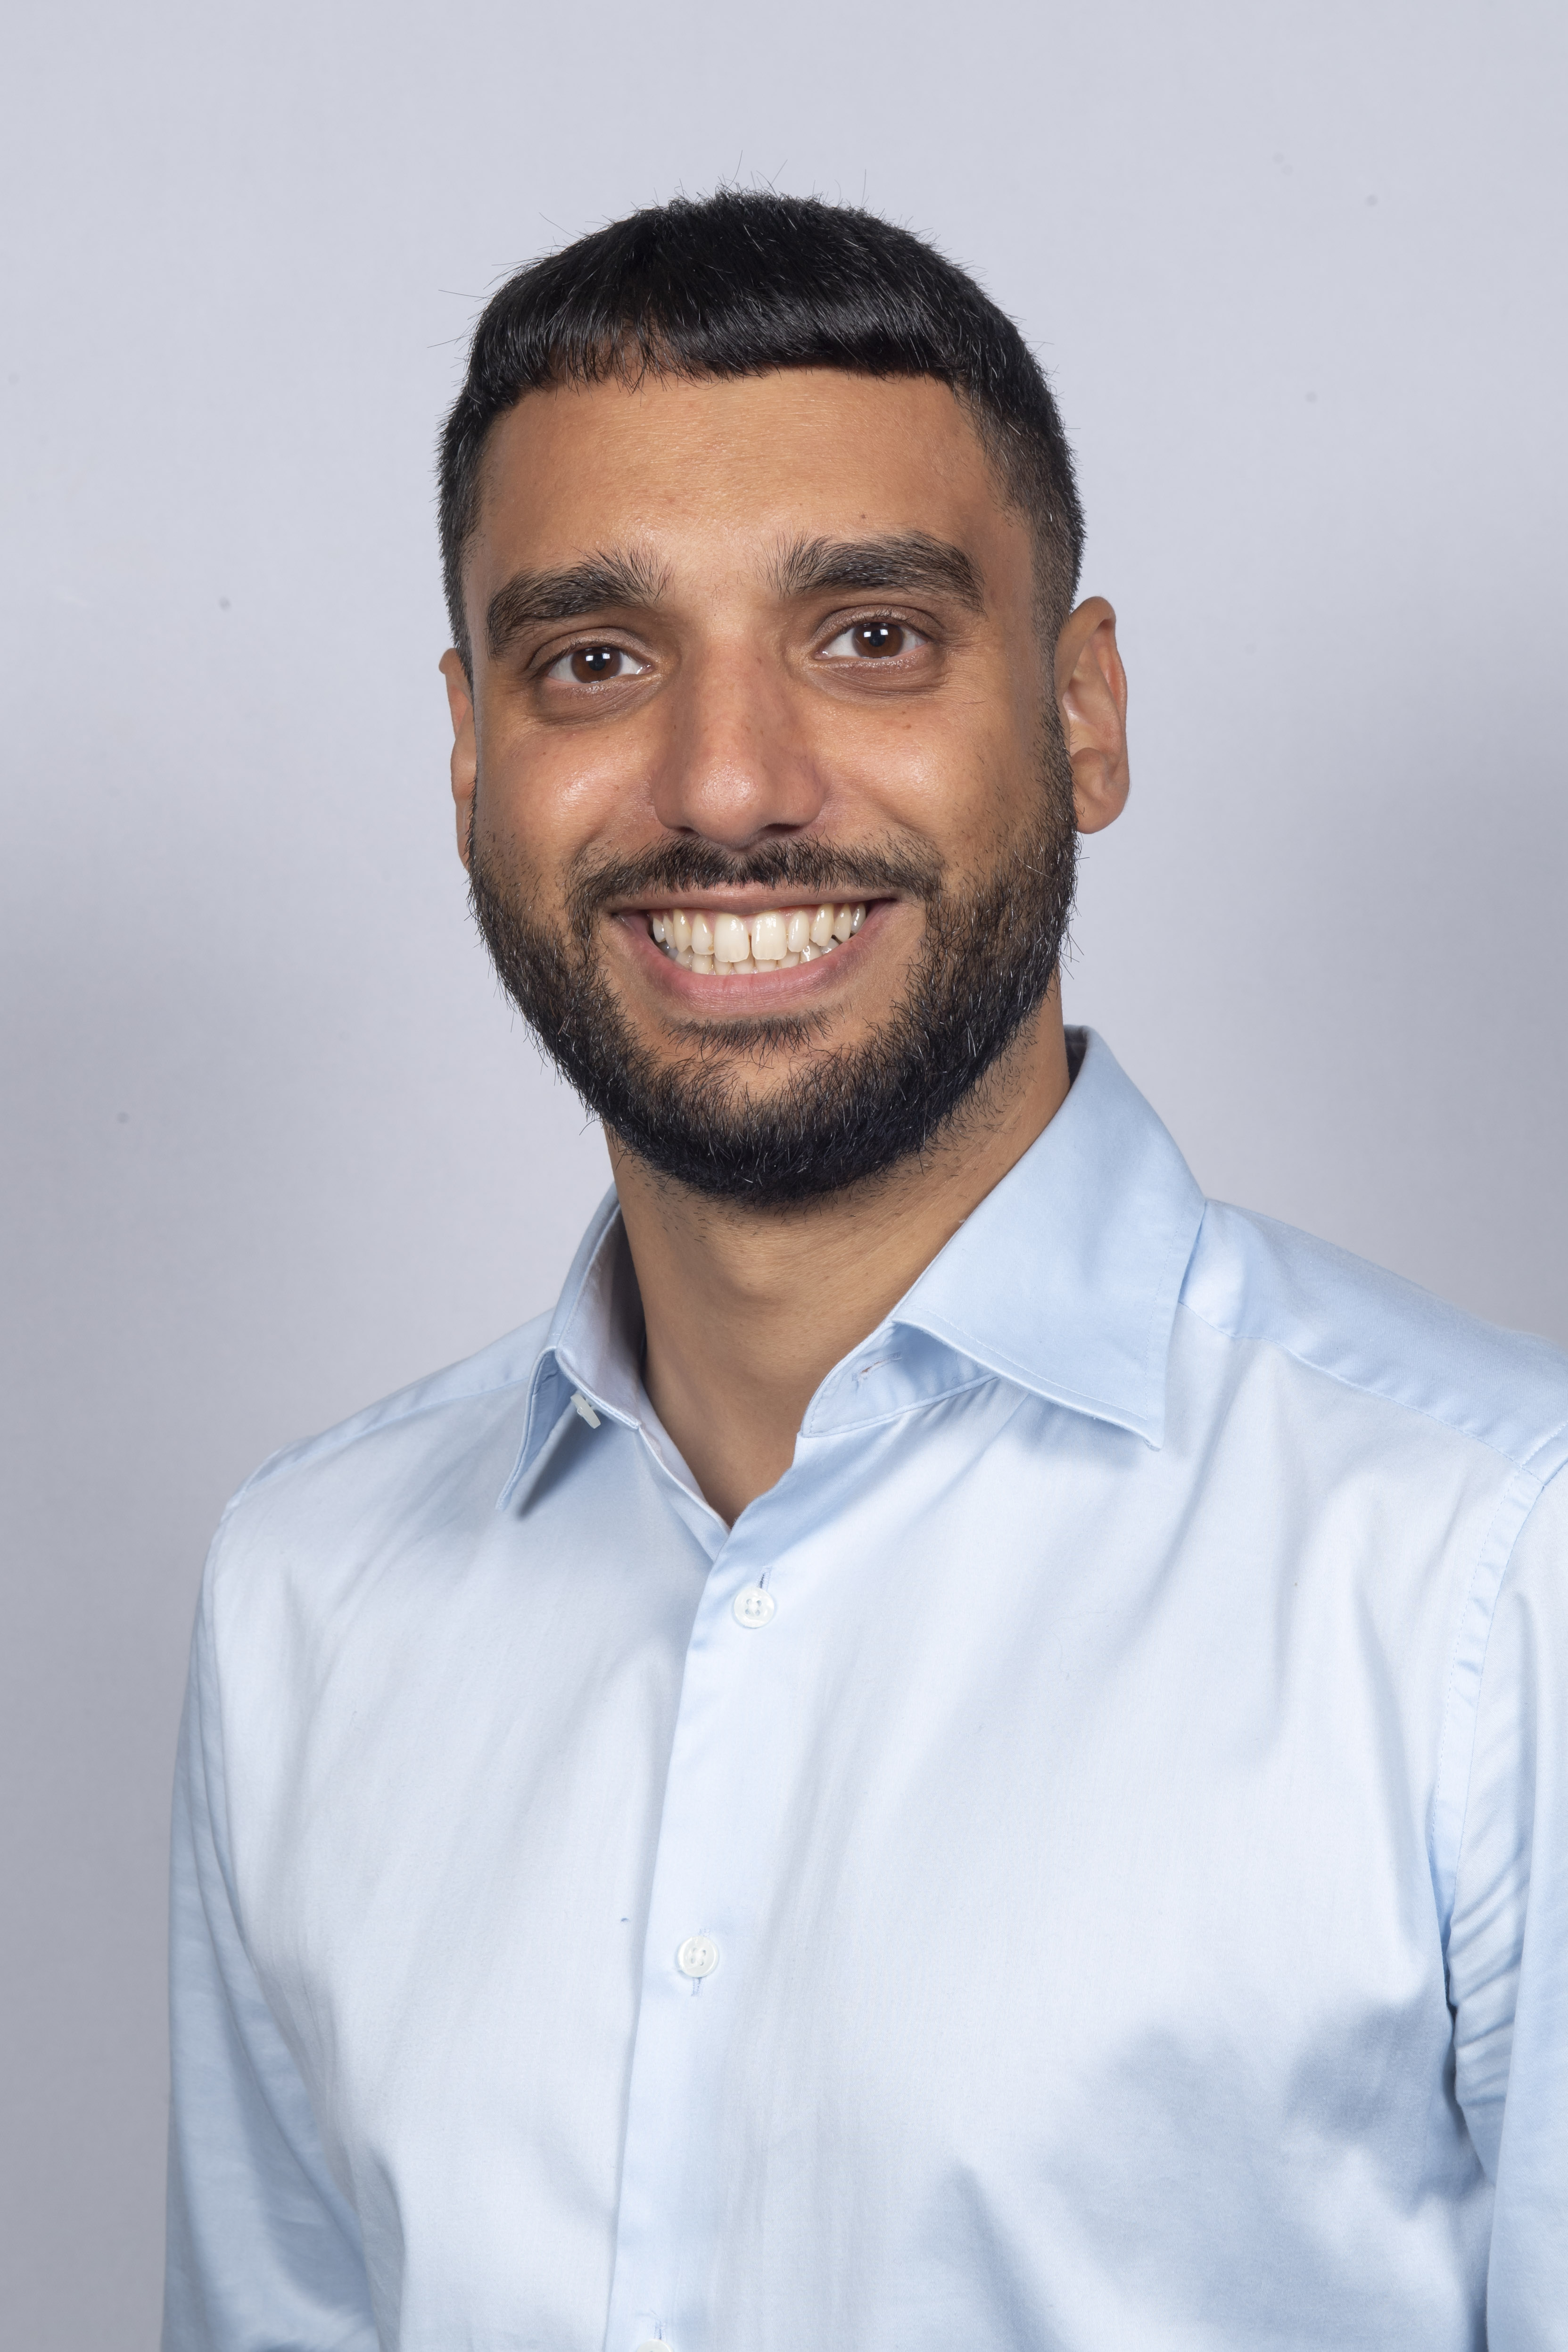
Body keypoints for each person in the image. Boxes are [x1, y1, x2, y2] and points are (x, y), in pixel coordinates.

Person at [162, 191, 1567, 2352]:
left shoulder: (1495, 1569)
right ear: (470, 757)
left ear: (1083, 714)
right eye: (595, 663)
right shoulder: (308, 1597)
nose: (729, 786)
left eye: (872, 637)